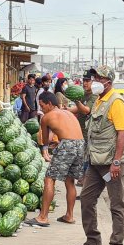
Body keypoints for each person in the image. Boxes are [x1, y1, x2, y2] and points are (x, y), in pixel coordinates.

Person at [74, 65, 124, 245]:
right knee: (87, 199)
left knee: (117, 205)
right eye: (95, 76)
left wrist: (116, 162)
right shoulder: (99, 100)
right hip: (95, 162)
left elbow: (122, 134)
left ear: (108, 81)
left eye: (99, 77)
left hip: (110, 164)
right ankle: (93, 239)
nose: (95, 80)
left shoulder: (116, 102)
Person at [26, 91, 85, 227]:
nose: (41, 109)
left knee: (49, 179)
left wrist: (46, 150)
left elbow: (45, 140)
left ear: (50, 104)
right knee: (70, 180)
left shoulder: (46, 117)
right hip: (80, 144)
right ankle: (69, 216)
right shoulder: (69, 113)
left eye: (42, 105)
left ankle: (43, 217)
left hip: (67, 145)